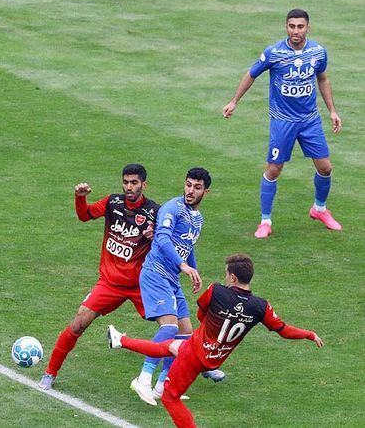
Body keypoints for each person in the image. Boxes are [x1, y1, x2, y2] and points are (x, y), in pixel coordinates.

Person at [107, 253, 324, 428]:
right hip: (214, 358)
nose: (225, 277)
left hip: (196, 353)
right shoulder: (260, 306)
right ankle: (120, 340)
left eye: (226, 274)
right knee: (168, 347)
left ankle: (124, 345)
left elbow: (201, 314)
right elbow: (284, 330)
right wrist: (310, 334)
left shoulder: (216, 291)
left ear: (233, 277)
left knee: (170, 398)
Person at [37, 164, 159, 391]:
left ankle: (199, 362)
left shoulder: (155, 212)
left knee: (172, 325)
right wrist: (80, 197)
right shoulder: (113, 202)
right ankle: (49, 373)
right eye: (125, 182)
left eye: (134, 183)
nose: (129, 187)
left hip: (141, 285)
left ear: (144, 184)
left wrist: (155, 237)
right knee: (78, 322)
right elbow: (84, 215)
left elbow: (167, 244)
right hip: (110, 283)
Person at [222, 9, 343, 238]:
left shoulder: (318, 52)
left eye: (300, 26)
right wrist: (234, 101)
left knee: (325, 168)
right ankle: (265, 222)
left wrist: (332, 111)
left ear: (308, 28)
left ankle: (319, 209)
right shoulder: (274, 53)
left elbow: (323, 79)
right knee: (274, 169)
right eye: (291, 26)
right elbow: (251, 74)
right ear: (286, 27)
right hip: (283, 121)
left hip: (310, 121)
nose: (296, 31)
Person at [131, 168, 224, 406]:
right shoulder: (172, 208)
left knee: (185, 334)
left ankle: (163, 385)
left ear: (206, 191)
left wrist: (194, 270)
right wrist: (183, 266)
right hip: (155, 273)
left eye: (197, 187)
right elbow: (162, 238)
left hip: (171, 279)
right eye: (188, 185)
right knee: (170, 327)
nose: (190, 191)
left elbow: (187, 245)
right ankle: (143, 379)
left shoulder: (198, 218)